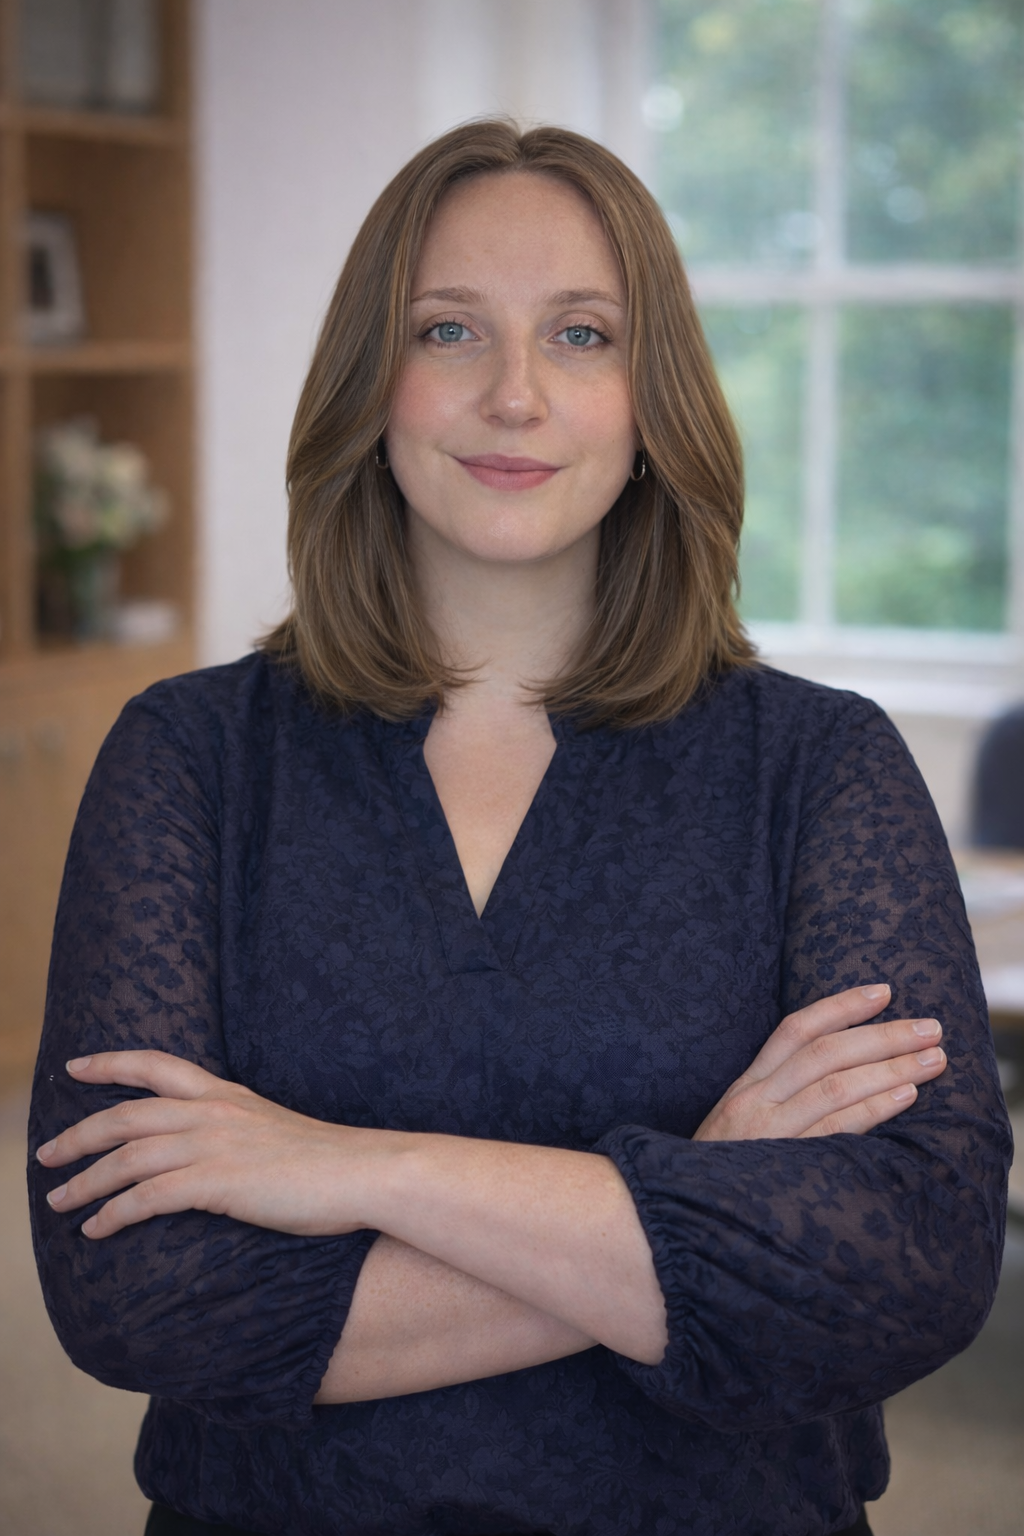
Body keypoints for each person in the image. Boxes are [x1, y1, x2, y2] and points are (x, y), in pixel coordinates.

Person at [29, 121, 1009, 1536]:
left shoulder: (822, 767)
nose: (512, 395)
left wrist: (350, 1166)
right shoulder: (190, 760)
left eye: (582, 336)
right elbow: (138, 1296)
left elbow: (904, 1265)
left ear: (652, 392)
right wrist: (706, 1194)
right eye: (447, 330)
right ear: (373, 385)